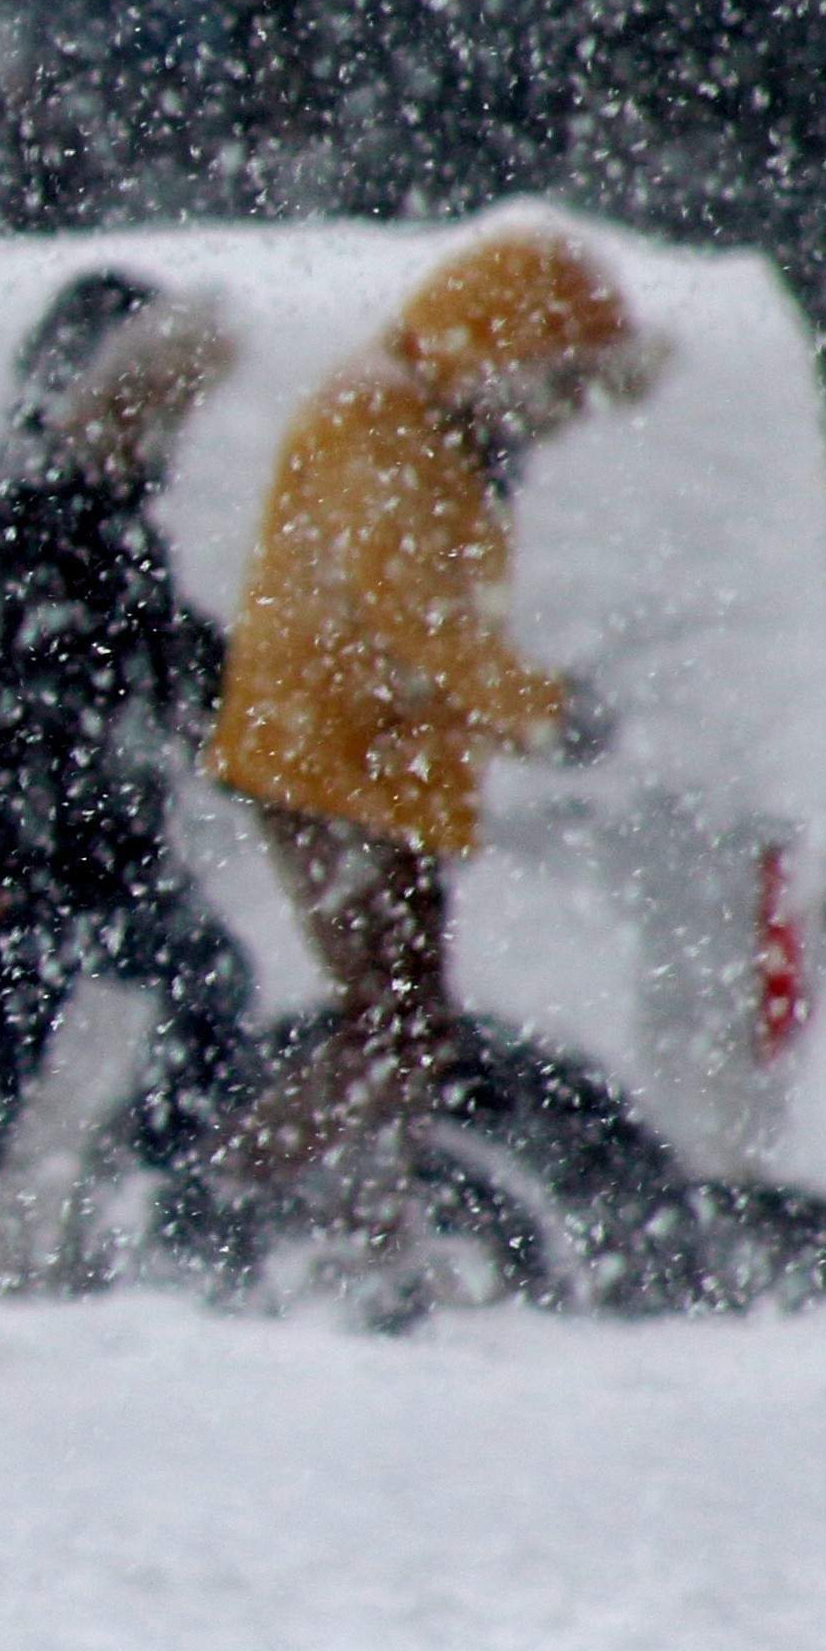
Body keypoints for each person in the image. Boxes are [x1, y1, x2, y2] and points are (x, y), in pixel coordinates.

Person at [199, 227, 656, 1323]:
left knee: (403, 1024)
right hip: (329, 767)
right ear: (503, 349)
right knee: (397, 1026)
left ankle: (361, 1232)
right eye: (560, 384)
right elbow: (418, 621)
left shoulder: (434, 417)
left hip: (376, 768)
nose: (565, 413)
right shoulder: (378, 417)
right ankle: (229, 1201)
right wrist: (539, 712)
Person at [0, 271, 259, 1281]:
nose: (173, 433)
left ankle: (132, 1194)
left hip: (88, 842)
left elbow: (153, 650)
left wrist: (244, 693)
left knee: (178, 992)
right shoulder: (22, 496)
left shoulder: (102, 504)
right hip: (19, 847)